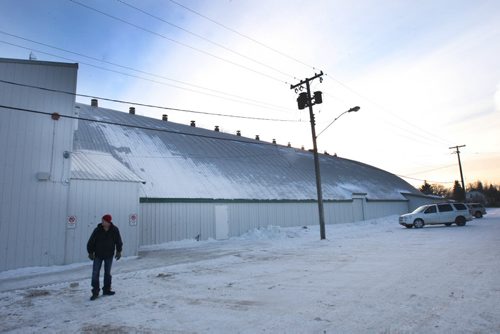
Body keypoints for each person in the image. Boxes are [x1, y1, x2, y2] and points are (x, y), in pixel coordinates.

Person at [87, 214, 123, 301]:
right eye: (102, 220)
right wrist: (90, 252)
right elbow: (91, 241)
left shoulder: (114, 230)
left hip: (109, 255)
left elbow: (118, 241)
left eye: (104, 221)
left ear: (108, 222)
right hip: (98, 255)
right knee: (95, 273)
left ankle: (106, 290)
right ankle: (95, 292)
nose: (102, 222)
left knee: (107, 273)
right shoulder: (97, 230)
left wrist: (118, 251)